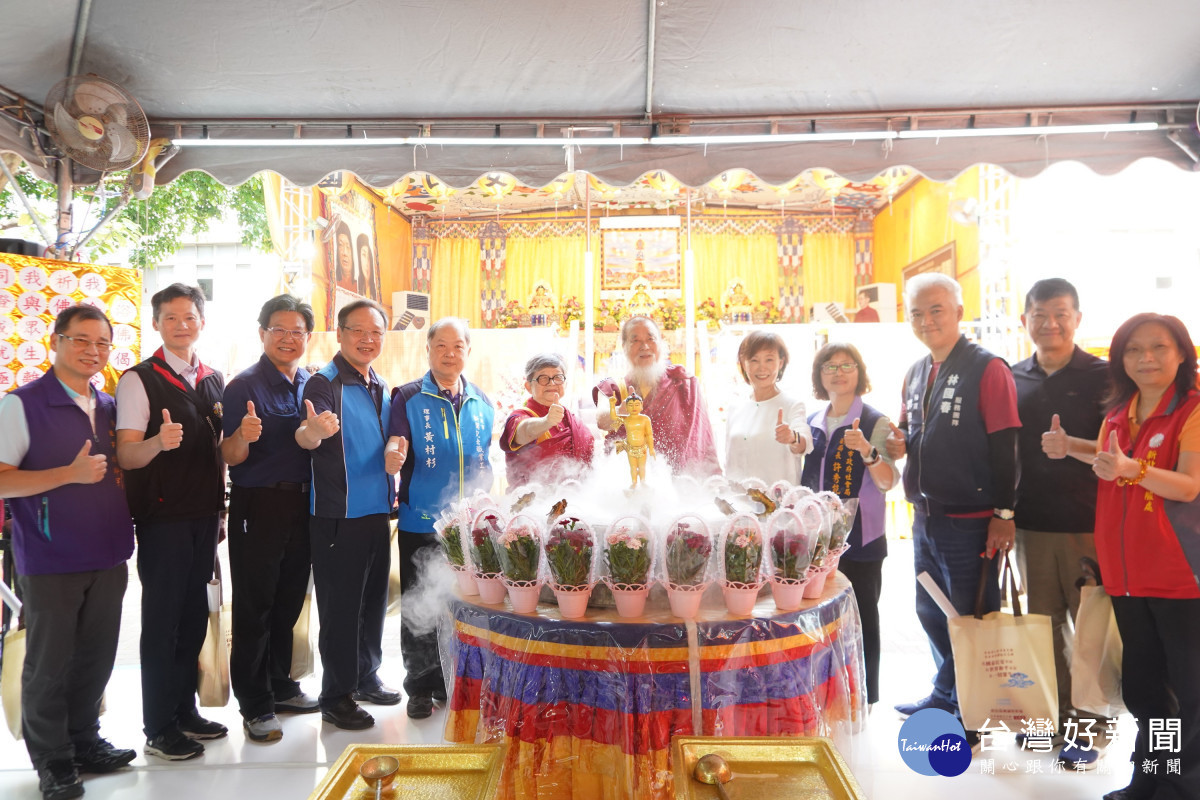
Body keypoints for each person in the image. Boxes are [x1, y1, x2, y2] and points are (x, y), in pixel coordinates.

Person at [1044, 313, 1200, 800]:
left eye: (1159, 347)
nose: (1145, 358)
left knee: (1191, 692)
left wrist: (1134, 470)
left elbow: (1189, 485)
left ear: (1182, 353)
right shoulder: (1120, 410)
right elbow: (1110, 459)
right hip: (1128, 575)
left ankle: (1186, 785)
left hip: (1180, 574)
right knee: (1146, 689)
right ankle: (1151, 777)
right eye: (1133, 349)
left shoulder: (1192, 410)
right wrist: (1070, 446)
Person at [0, 306, 135, 800]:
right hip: (50, 557)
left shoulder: (110, 405)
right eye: (81, 339)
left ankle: (84, 740)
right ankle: (53, 761)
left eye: (102, 343)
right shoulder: (22, 405)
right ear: (55, 341)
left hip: (109, 552)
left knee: (96, 658)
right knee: (50, 664)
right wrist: (67, 475)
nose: (92, 351)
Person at [887, 273, 1020, 732]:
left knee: (972, 616)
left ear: (960, 312)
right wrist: (899, 442)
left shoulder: (988, 368)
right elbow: (909, 433)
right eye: (917, 313)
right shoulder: (916, 371)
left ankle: (975, 712)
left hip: (972, 521)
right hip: (925, 517)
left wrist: (1004, 514)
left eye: (936, 310)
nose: (926, 320)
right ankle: (946, 695)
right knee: (933, 611)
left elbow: (1007, 446)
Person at [115, 283, 228, 761]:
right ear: (156, 323)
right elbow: (126, 455)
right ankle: (159, 726)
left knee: (193, 617)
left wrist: (221, 509)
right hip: (163, 521)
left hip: (205, 516)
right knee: (163, 623)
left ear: (202, 321)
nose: (182, 325)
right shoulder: (138, 380)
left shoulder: (213, 378)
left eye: (189, 317)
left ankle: (184, 711)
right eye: (171, 317)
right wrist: (158, 442)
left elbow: (219, 452)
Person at [1010, 278, 1108, 768]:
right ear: (1024, 320)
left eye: (1061, 314)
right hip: (1030, 524)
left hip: (1088, 523)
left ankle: (1091, 727)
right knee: (1043, 628)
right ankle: (1051, 718)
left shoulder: (1104, 376)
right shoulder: (1012, 377)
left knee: (1090, 629)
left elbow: (1118, 449)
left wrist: (1072, 446)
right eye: (1040, 314)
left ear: (1077, 319)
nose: (1050, 324)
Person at [220, 295, 320, 744]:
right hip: (258, 506)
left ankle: (280, 685)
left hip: (303, 505)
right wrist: (243, 436)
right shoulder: (243, 386)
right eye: (279, 329)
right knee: (254, 606)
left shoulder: (311, 384)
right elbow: (229, 455)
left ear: (308, 337)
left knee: (288, 602)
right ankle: (255, 703)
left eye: (297, 331)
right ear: (262, 333)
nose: (288, 338)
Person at [386, 317, 494, 719]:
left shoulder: (482, 402)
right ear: (428, 350)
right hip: (423, 521)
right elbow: (397, 441)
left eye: (458, 346)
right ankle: (420, 686)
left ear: (468, 351)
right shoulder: (409, 397)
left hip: (467, 527)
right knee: (420, 605)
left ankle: (455, 680)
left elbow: (485, 460)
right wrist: (393, 457)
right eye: (441, 346)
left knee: (462, 605)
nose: (450, 354)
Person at [297, 299, 397, 731]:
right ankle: (336, 696)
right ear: (339, 334)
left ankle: (366, 676)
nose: (367, 339)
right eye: (358, 330)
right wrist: (313, 432)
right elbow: (306, 434)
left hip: (377, 512)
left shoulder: (379, 384)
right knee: (340, 610)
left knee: (372, 603)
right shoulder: (323, 383)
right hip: (338, 515)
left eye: (375, 332)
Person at [800, 342, 899, 709]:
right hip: (817, 541)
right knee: (819, 618)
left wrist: (868, 452)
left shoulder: (876, 422)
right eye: (829, 366)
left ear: (859, 372)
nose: (838, 372)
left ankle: (864, 698)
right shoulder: (811, 422)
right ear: (819, 375)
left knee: (862, 618)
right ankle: (827, 695)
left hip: (861, 539)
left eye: (847, 365)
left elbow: (888, 481)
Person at [594, 315, 720, 477]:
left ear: (661, 343)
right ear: (624, 347)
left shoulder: (683, 383)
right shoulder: (613, 386)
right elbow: (601, 419)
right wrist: (620, 411)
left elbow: (702, 437)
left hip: (678, 481)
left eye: (650, 339)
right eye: (635, 340)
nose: (644, 346)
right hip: (627, 480)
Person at [723, 330, 811, 484]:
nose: (762, 368)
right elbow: (728, 460)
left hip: (778, 497)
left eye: (769, 360)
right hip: (738, 497)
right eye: (754, 360)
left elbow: (804, 443)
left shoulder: (792, 405)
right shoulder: (735, 408)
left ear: (780, 363)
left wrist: (792, 437)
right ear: (743, 363)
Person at [500, 353, 594, 489]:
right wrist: (546, 422)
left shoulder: (572, 420)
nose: (552, 383)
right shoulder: (520, 416)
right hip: (531, 499)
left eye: (558, 377)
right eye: (543, 378)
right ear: (528, 386)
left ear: (565, 384)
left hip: (575, 497)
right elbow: (524, 431)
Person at [609, 393, 654, 487]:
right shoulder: (626, 419)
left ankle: (643, 481)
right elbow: (614, 417)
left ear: (641, 405)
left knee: (642, 466)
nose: (634, 407)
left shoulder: (645, 419)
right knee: (633, 467)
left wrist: (651, 448)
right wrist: (612, 405)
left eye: (637, 405)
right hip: (630, 447)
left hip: (642, 447)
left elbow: (649, 434)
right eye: (630, 405)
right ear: (626, 407)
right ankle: (634, 482)